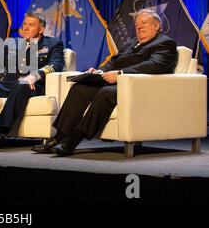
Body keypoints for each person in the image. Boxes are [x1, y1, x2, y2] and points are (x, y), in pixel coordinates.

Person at [32, 9, 178, 156]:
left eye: (144, 23)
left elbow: (154, 65)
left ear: (157, 25)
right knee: (80, 89)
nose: (139, 27)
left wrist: (121, 74)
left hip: (137, 86)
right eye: (136, 25)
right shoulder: (133, 42)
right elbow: (114, 60)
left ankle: (72, 142)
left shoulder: (165, 43)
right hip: (114, 81)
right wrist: (101, 71)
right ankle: (57, 138)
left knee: (105, 93)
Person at [0, 12, 65, 150]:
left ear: (41, 29)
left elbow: (57, 64)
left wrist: (34, 75)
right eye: (24, 24)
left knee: (22, 83)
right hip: (6, 87)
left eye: (31, 25)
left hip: (30, 88)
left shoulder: (53, 43)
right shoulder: (12, 43)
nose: (25, 27)